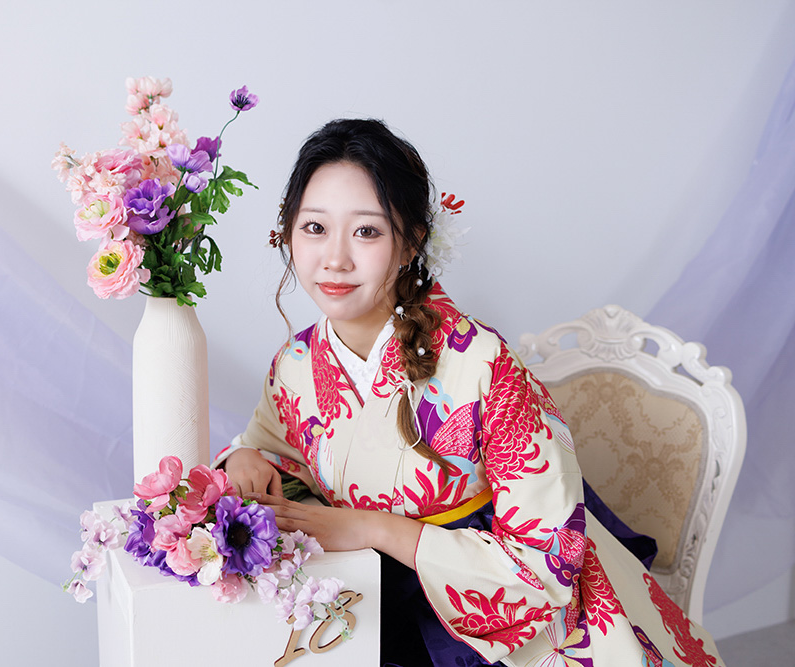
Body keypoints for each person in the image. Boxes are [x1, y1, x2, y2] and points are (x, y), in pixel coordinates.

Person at [216, 118, 724, 666]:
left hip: (501, 616)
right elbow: (275, 452)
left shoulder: (482, 361)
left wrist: (373, 528)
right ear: (288, 232)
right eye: (315, 227)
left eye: (366, 232)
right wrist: (246, 457)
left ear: (411, 241)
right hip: (363, 603)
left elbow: (546, 559)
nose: (334, 258)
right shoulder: (294, 364)